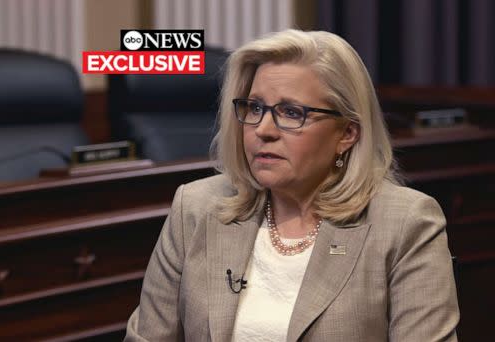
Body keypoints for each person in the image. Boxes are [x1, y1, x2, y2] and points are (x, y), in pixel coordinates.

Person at [124, 29, 459, 341]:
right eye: (254, 108)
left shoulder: (406, 224)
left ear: (347, 133)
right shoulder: (195, 208)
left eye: (290, 112)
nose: (264, 129)